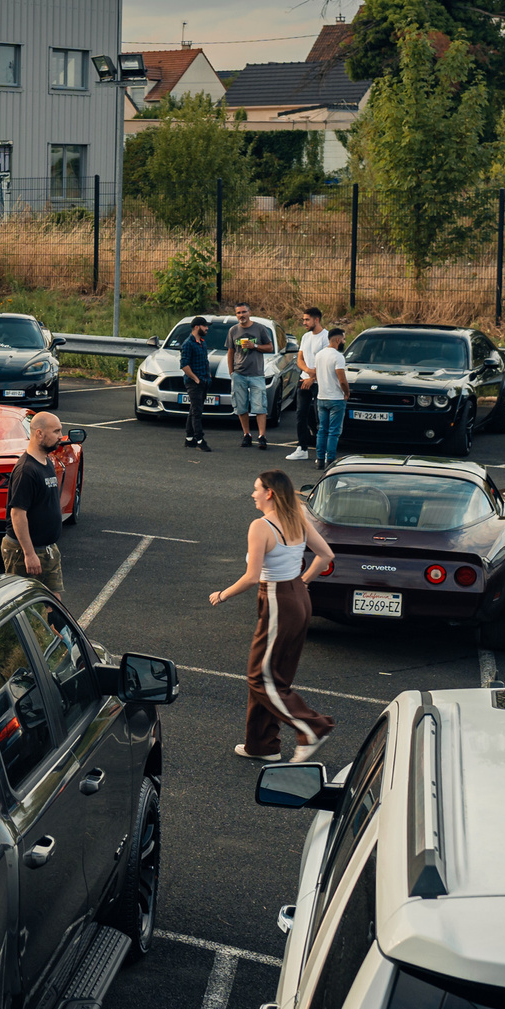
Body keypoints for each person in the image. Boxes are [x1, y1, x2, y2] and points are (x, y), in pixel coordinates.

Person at [212, 470, 337, 763]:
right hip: (298, 598)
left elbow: (251, 577)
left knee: (260, 677)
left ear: (269, 492)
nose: (253, 493)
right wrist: (302, 582)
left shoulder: (261, 526)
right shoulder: (297, 519)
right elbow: (326, 555)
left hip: (278, 601)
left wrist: (223, 594)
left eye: (256, 489)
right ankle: (262, 745)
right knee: (272, 675)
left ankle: (313, 727)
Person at [3, 412, 67, 595]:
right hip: (25, 552)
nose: (60, 436)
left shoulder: (46, 462)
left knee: (53, 604)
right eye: (56, 431)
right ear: (39, 433)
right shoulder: (26, 470)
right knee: (27, 606)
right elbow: (17, 514)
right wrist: (29, 554)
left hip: (48, 549)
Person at [227, 303, 273, 448]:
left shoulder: (260, 329)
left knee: (260, 406)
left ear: (249, 312)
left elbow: (270, 347)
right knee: (241, 406)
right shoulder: (233, 330)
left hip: (256, 374)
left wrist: (256, 346)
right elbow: (230, 352)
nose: (241, 315)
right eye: (238, 313)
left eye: (244, 312)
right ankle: (247, 434)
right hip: (239, 374)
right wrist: (231, 372)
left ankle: (262, 436)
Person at [288, 308, 329, 463]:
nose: (304, 322)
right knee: (300, 415)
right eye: (303, 319)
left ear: (316, 320)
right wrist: (308, 372)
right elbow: (300, 359)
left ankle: (322, 453)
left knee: (320, 418)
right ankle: (302, 449)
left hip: (320, 383)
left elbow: (327, 362)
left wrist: (313, 378)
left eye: (307, 320)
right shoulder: (305, 337)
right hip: (304, 380)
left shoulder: (326, 337)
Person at [310, 336, 350, 468]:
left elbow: (315, 373)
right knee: (333, 431)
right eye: (343, 339)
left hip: (322, 397)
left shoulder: (319, 355)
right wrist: (347, 392)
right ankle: (330, 460)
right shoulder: (338, 357)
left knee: (322, 430)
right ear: (337, 340)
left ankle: (320, 459)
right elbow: (342, 380)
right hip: (336, 398)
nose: (344, 341)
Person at [177, 316, 214, 450]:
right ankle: (199, 440)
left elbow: (205, 361)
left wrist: (207, 375)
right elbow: (184, 365)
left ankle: (189, 438)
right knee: (197, 412)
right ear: (197, 327)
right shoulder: (188, 344)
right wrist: (195, 379)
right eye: (205, 326)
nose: (207, 328)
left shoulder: (202, 342)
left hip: (204, 380)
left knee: (193, 409)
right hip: (194, 383)